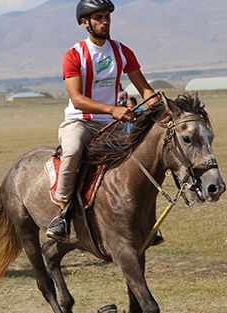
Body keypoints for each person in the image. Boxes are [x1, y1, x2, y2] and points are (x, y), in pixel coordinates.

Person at [45, 0, 159, 241]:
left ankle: (146, 219)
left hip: (113, 124)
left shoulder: (122, 51)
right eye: (99, 17)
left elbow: (145, 89)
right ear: (85, 22)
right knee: (73, 151)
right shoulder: (74, 55)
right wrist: (113, 110)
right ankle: (62, 214)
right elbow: (77, 99)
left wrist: (162, 110)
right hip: (80, 122)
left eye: (107, 16)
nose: (105, 21)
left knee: (146, 155)